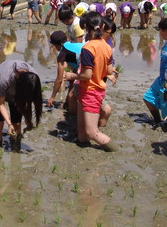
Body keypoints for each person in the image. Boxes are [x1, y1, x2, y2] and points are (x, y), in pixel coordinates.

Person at [64, 12, 116, 151]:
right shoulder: (106, 46)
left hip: (90, 91)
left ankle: (115, 151)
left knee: (92, 133)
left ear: (85, 26)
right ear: (103, 25)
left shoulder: (88, 48)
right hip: (94, 88)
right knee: (82, 136)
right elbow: (110, 71)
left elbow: (87, 75)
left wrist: (71, 76)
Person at [0, 60, 43, 151]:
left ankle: (15, 147)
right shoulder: (5, 79)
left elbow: (27, 102)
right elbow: (1, 104)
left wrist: (28, 120)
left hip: (18, 92)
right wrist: (9, 124)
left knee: (17, 123)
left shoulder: (33, 78)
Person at [46, 31, 84, 113]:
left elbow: (59, 79)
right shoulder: (75, 45)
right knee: (72, 93)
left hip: (88, 70)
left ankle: (73, 117)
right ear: (66, 39)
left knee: (72, 96)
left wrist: (52, 97)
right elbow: (75, 74)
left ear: (56, 45)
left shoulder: (62, 54)